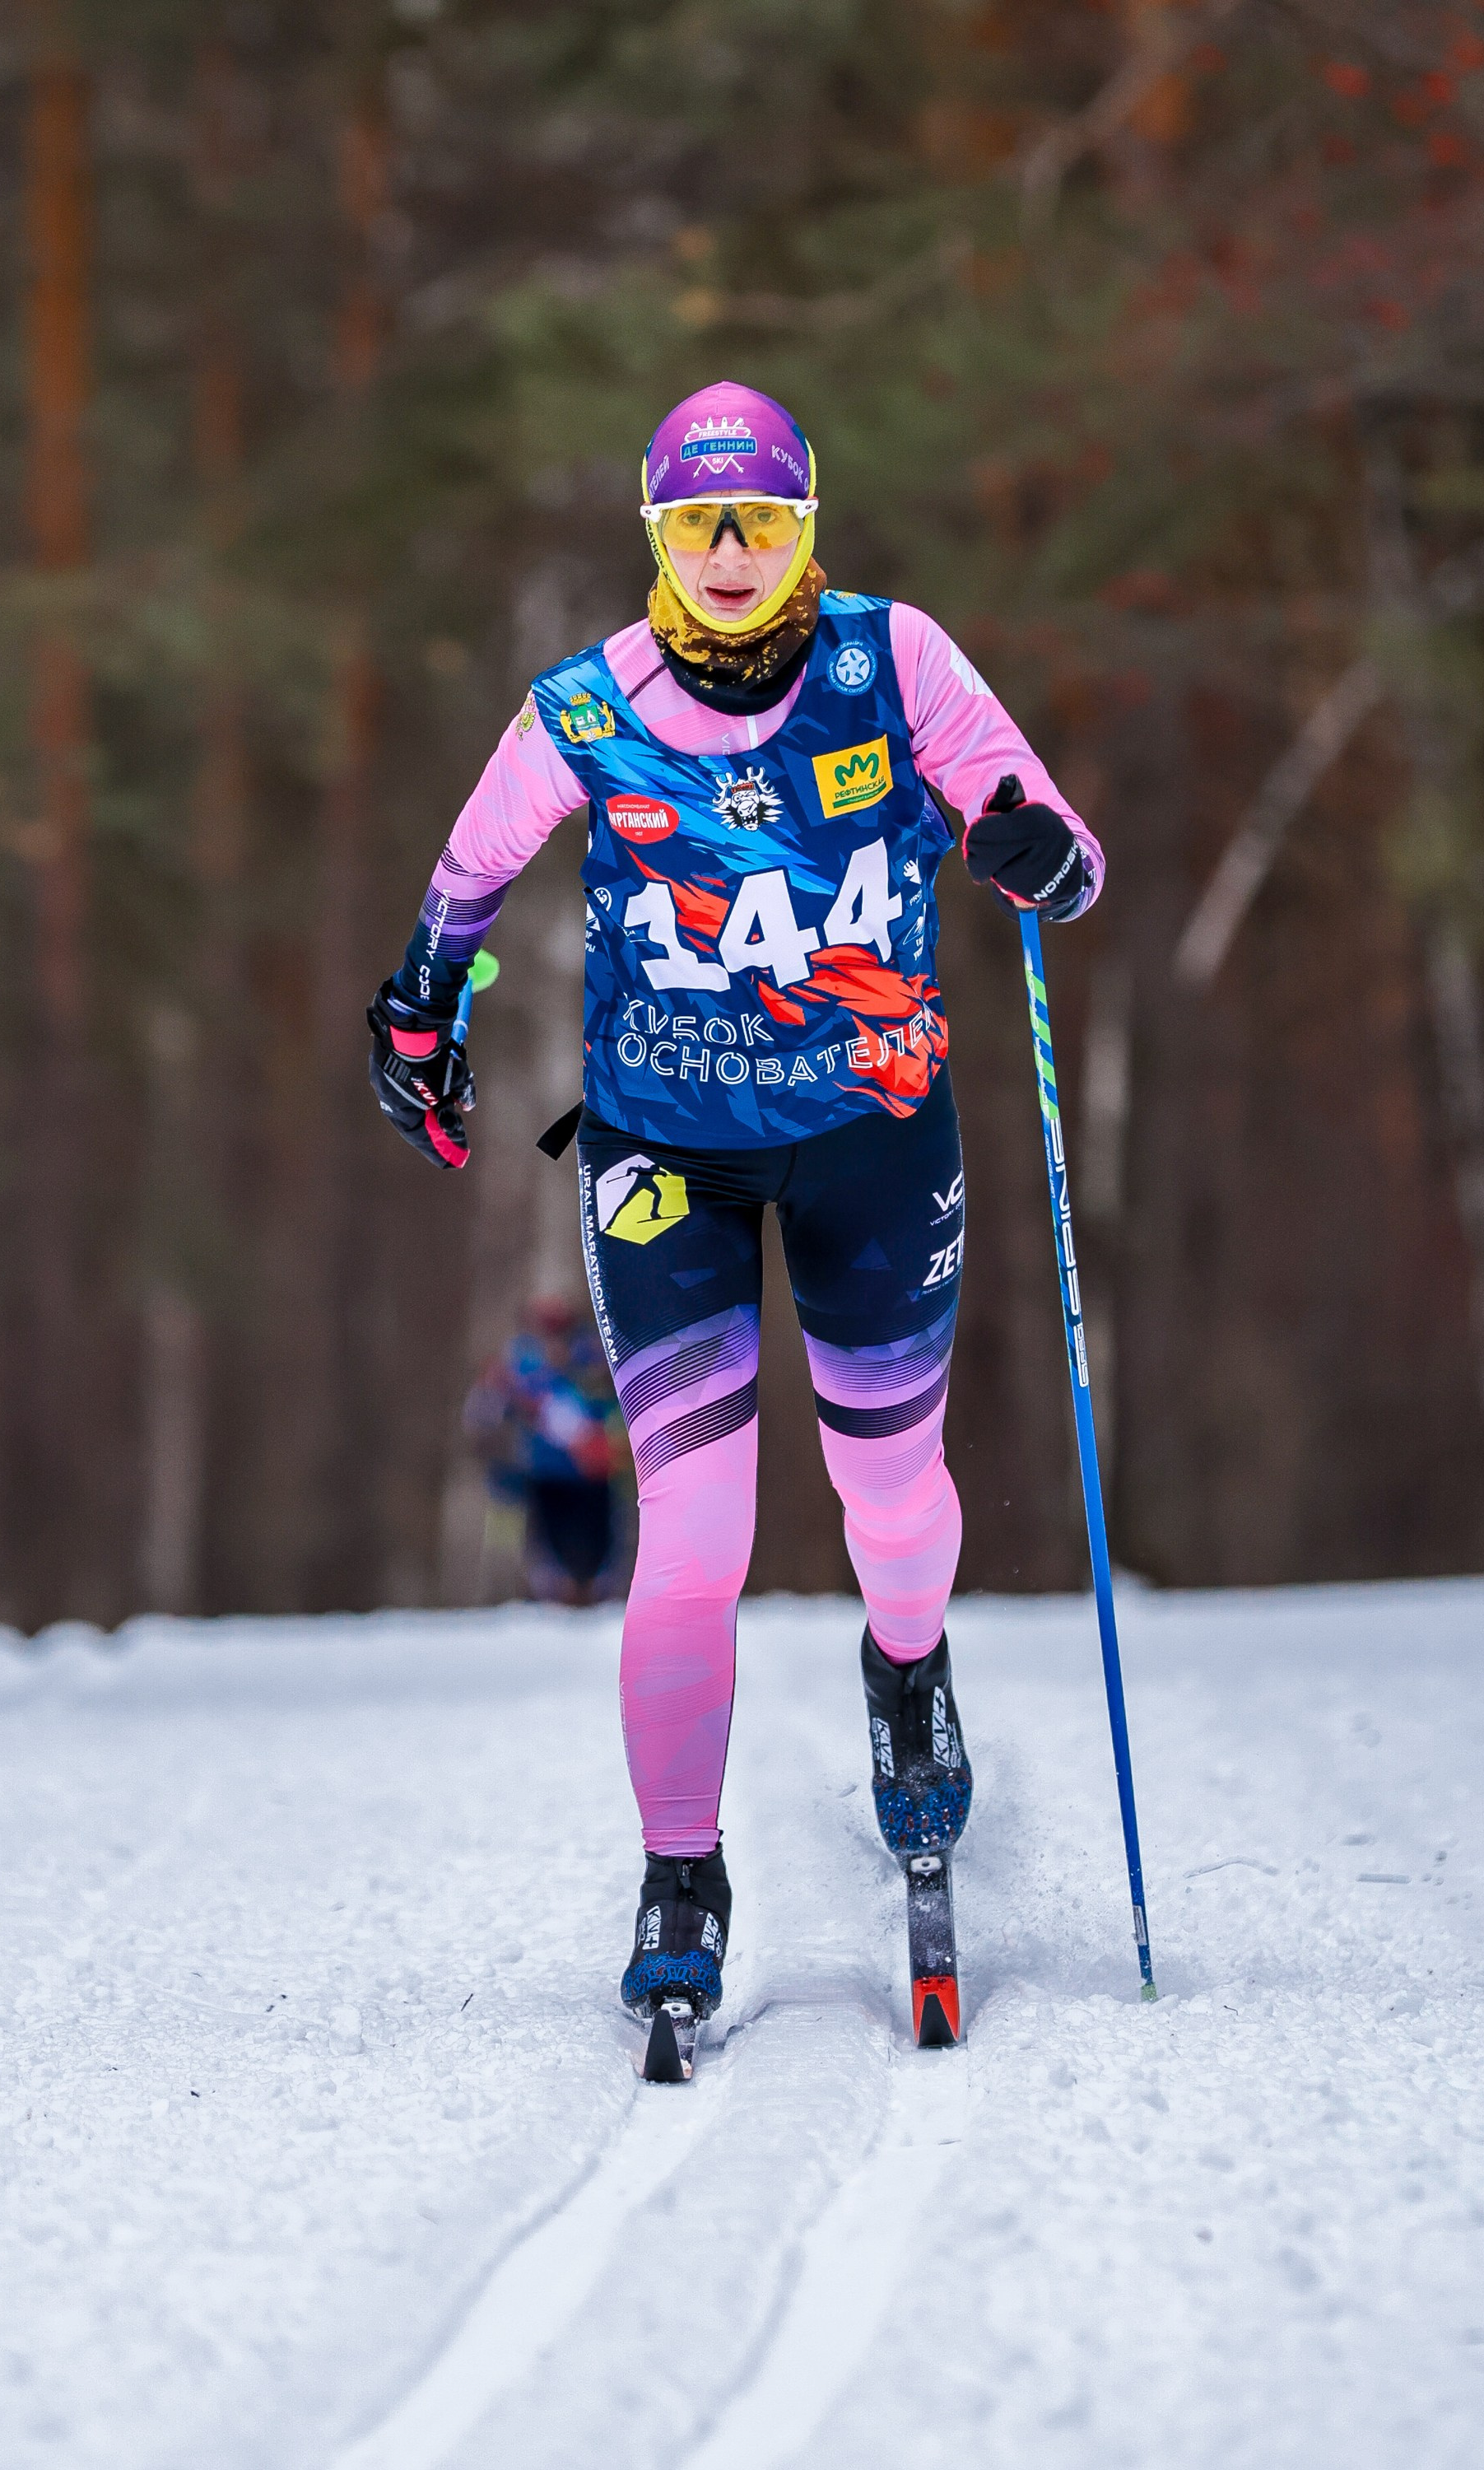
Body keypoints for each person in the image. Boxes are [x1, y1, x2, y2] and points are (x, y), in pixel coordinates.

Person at [367, 383, 1101, 2029]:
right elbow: (467, 874)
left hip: (872, 1133)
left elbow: (1052, 832)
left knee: (887, 1498)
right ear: (651, 534)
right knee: (694, 1535)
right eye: (692, 524)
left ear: (803, 529)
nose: (722, 555)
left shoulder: (892, 661)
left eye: (755, 523)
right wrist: (424, 1008)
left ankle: (906, 1670)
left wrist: (1032, 851)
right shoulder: (586, 705)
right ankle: (679, 1872)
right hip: (661, 1155)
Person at [464, 1298, 630, 1606]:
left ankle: (598, 1593)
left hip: (594, 1472)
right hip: (544, 1472)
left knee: (599, 1540)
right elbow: (488, 1412)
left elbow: (617, 1400)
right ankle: (549, 1594)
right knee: (545, 1540)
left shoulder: (595, 1353)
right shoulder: (520, 1360)